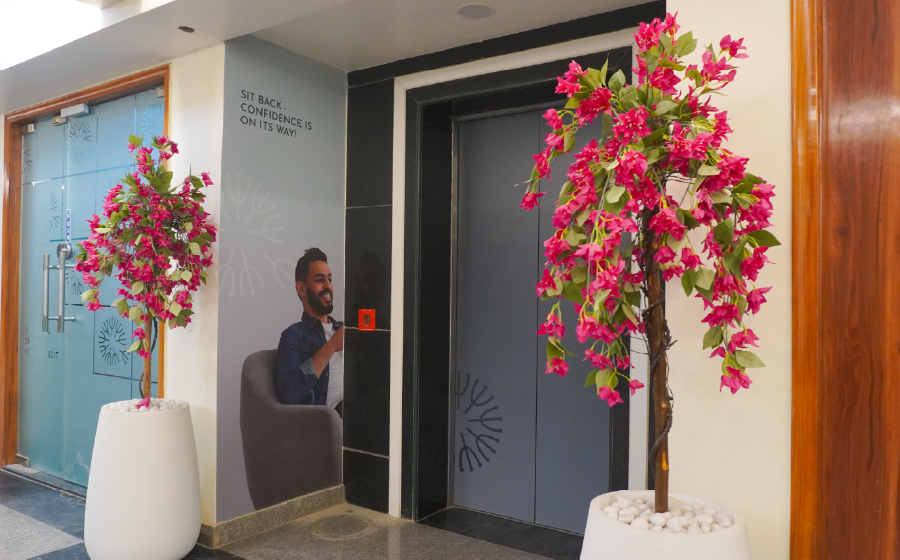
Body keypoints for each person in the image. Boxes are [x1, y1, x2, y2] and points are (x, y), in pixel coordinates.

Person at [275, 248, 344, 416]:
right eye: (320, 280)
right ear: (302, 289)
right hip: (333, 418)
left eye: (329, 279)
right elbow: (289, 393)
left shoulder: (344, 328)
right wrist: (332, 346)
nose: (328, 286)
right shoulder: (293, 335)